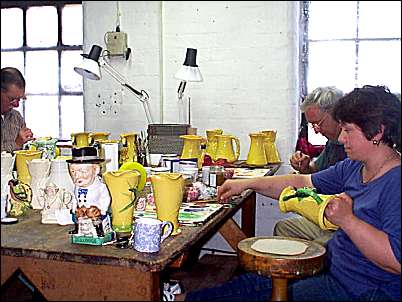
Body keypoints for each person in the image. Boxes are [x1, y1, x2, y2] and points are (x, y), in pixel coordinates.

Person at [176, 85, 401, 301]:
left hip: (362, 290)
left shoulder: (395, 182)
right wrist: (247, 184)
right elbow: (302, 181)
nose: (342, 138)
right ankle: (178, 298)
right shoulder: (355, 166)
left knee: (257, 292)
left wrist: (348, 220)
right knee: (253, 283)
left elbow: (396, 261)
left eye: (348, 130)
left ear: (378, 131)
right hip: (333, 268)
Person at [275, 86, 347, 245]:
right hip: (328, 217)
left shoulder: (354, 147)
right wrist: (305, 167)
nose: (316, 130)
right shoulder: (332, 143)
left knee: (318, 247)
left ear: (337, 113)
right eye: (311, 125)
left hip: (344, 222)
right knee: (283, 228)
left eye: (318, 123)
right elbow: (316, 173)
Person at [67, 146, 111, 237]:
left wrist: (103, 210)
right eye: (73, 172)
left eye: (83, 171)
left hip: (94, 211)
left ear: (96, 170)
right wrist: (74, 207)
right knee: (76, 216)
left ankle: (99, 230)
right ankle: (77, 229)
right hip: (82, 210)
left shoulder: (100, 187)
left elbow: (106, 198)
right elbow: (75, 197)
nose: (77, 176)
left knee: (94, 216)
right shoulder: (76, 187)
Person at [1, 67, 34, 152]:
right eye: (12, 99)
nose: (16, 105)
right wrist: (16, 144)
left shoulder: (16, 117)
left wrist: (30, 144)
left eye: (19, 99)